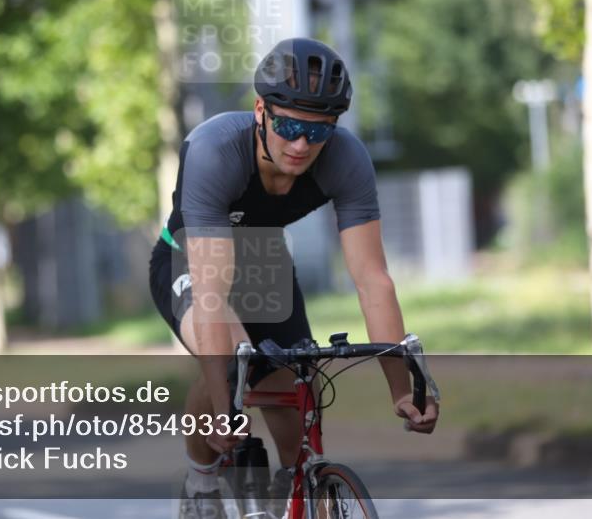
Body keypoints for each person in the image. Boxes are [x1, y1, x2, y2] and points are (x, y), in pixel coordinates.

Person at [149, 38, 440, 518]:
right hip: (190, 262)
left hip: (264, 263)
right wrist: (225, 411)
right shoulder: (214, 151)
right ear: (260, 110)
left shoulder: (346, 159)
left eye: (319, 132)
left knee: (297, 404)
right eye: (287, 127)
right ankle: (201, 481)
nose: (302, 145)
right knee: (228, 364)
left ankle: (299, 497)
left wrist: (402, 390)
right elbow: (212, 291)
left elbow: (373, 281)